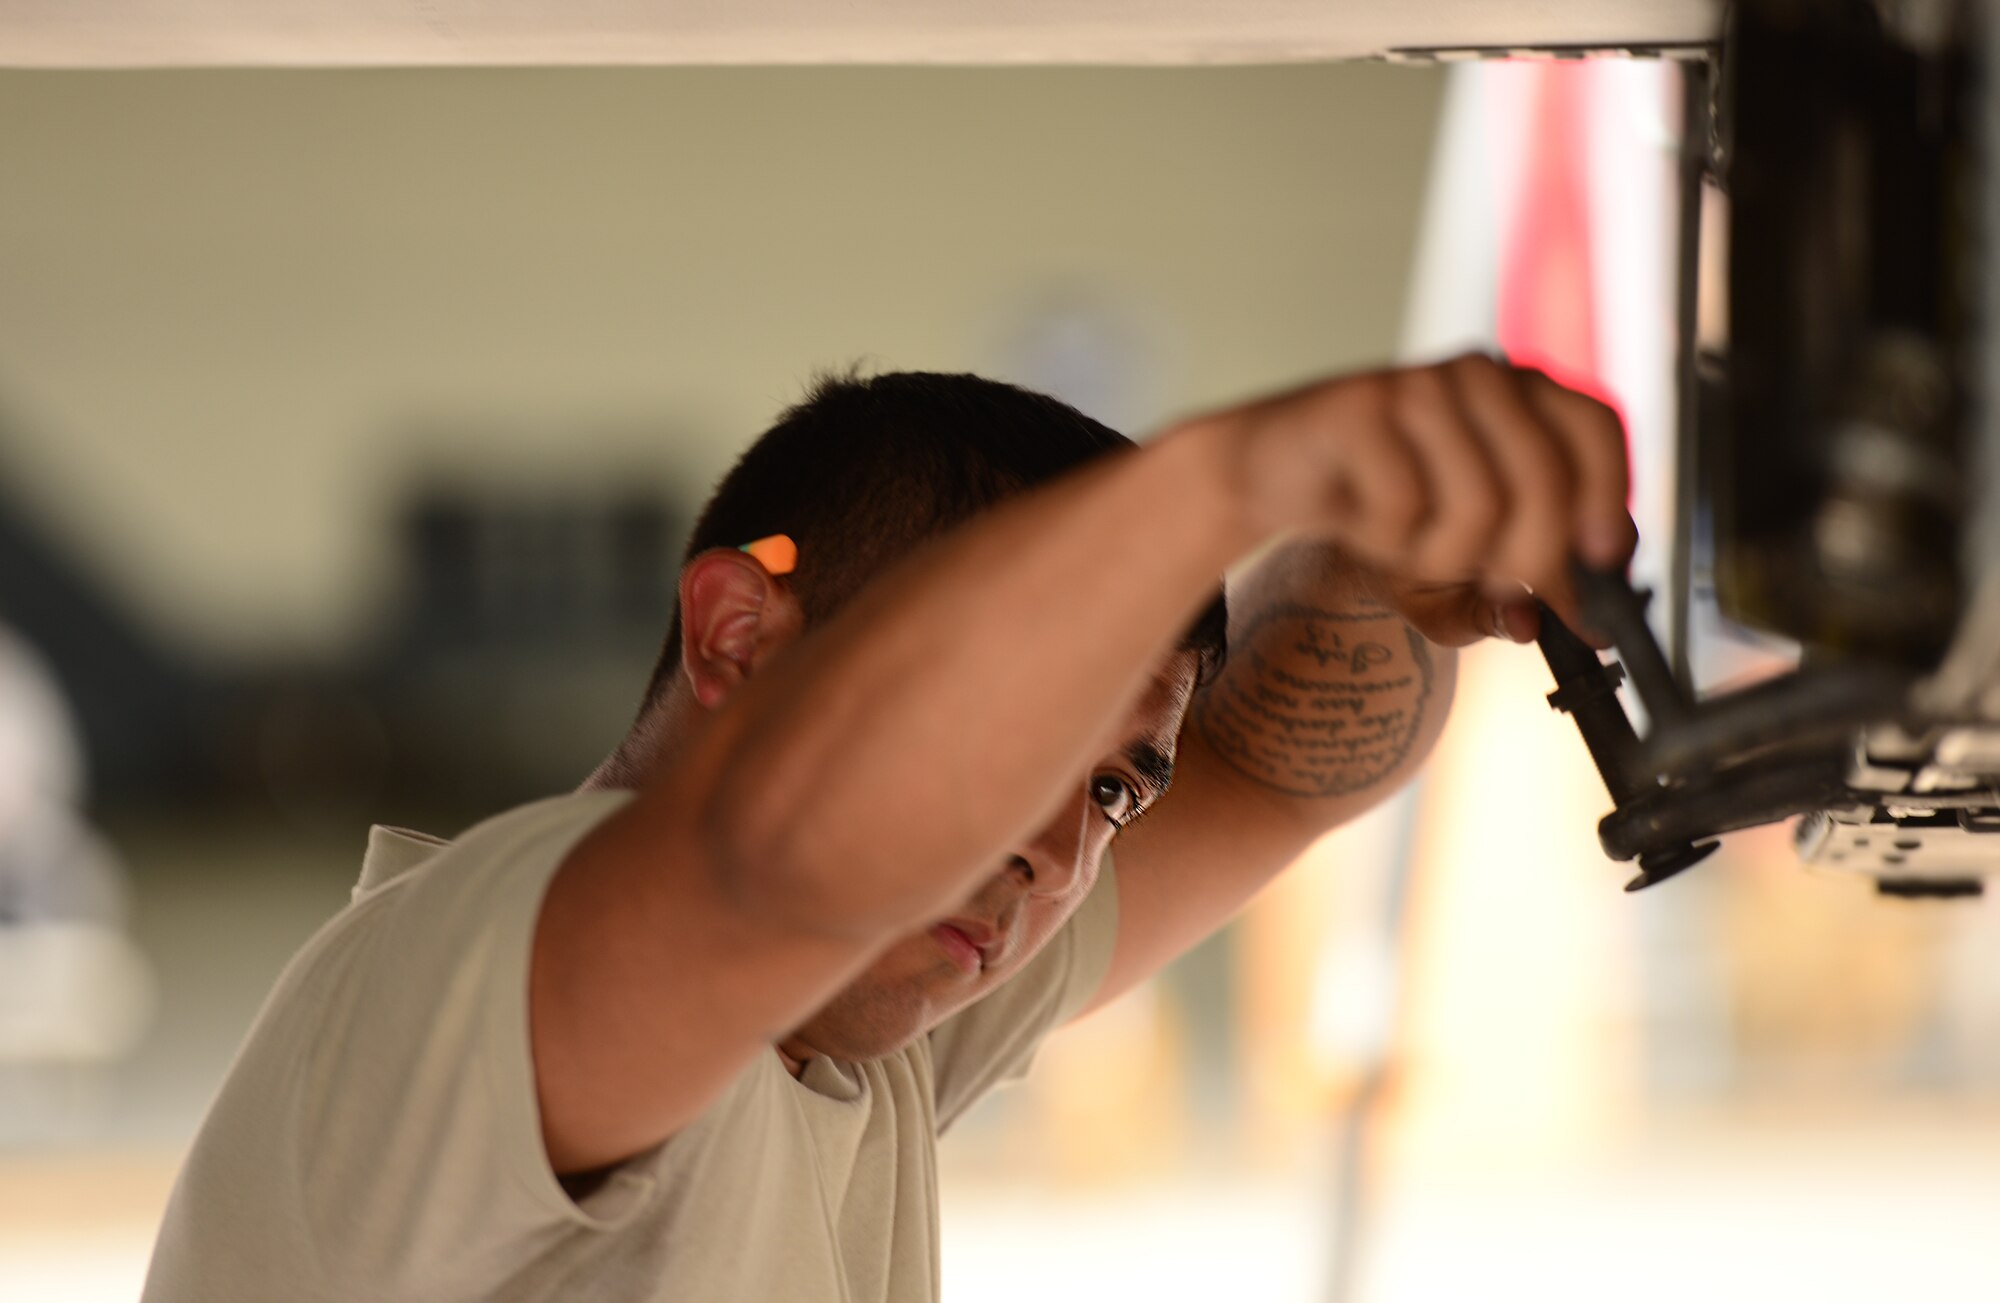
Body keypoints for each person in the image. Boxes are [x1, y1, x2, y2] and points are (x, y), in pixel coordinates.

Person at [142, 361, 1633, 1302]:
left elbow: (1270, 768)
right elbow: (773, 865)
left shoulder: (866, 1023)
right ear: (737, 635)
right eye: (1025, 732)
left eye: (1115, 786)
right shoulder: (452, 985)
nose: (1059, 852)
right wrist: (1227, 478)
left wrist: (1368, 565)